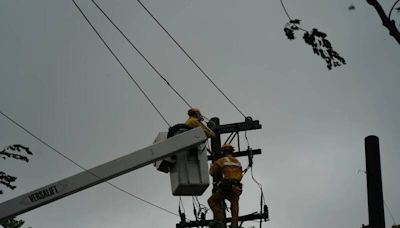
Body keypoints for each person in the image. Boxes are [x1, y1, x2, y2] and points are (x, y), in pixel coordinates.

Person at [207, 144, 243, 228]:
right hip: (237, 187)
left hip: (226, 186)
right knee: (234, 204)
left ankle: (219, 221)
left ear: (223, 152)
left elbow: (212, 173)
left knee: (211, 201)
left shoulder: (221, 161)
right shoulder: (237, 162)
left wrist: (213, 165)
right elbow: (239, 175)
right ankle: (234, 225)